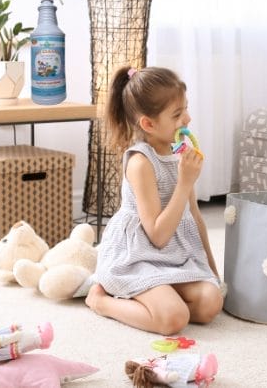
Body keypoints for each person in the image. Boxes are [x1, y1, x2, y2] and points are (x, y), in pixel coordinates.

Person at [86, 66, 223, 335]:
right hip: (138, 257)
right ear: (148, 124)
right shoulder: (140, 163)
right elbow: (157, 236)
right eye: (176, 114)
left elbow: (194, 216)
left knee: (211, 303)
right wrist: (185, 182)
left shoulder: (180, 153)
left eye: (186, 108)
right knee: (174, 319)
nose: (187, 118)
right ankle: (101, 301)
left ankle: (159, 295)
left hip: (175, 257)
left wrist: (213, 273)